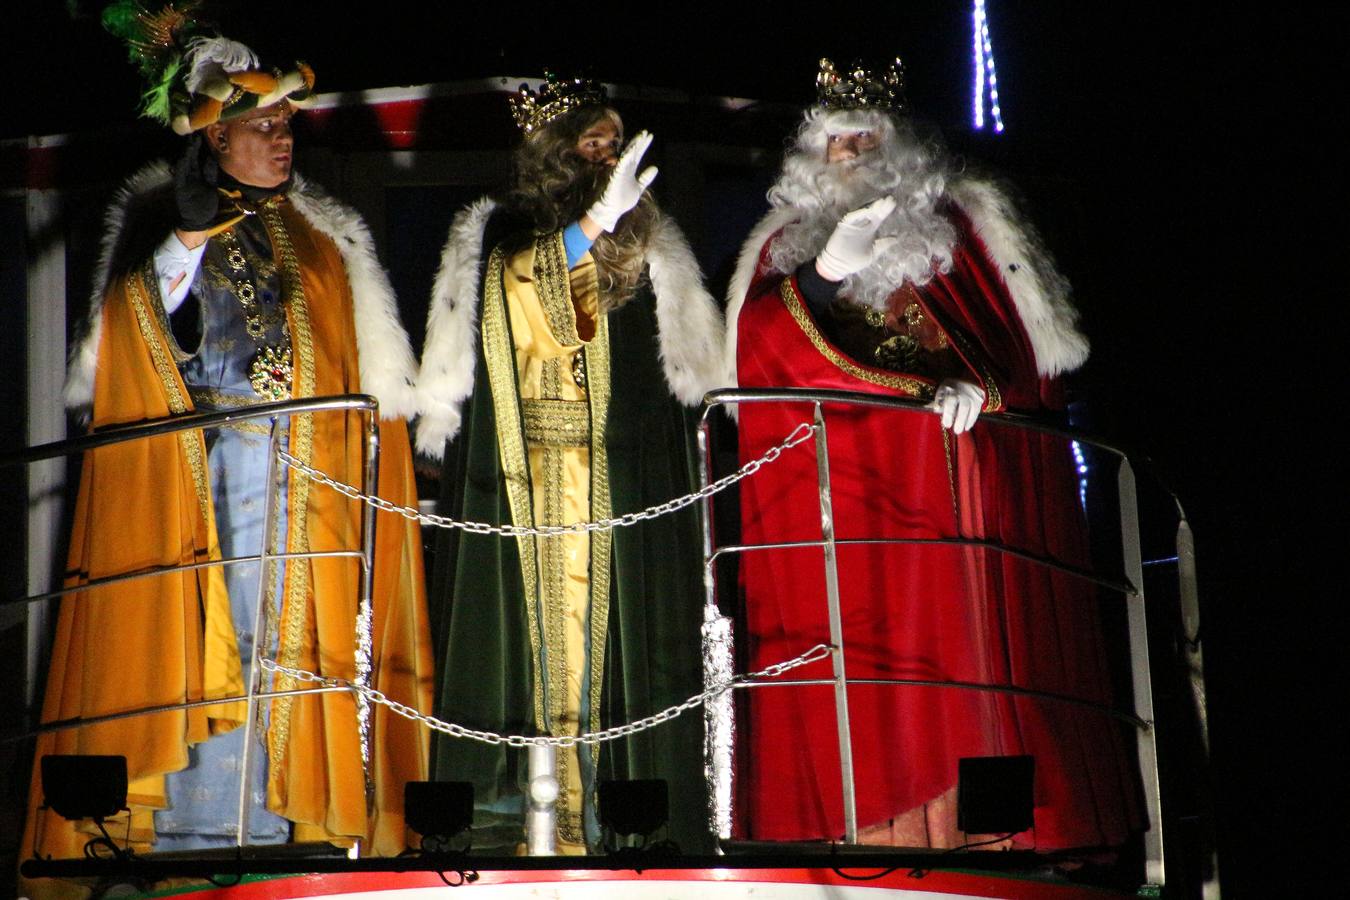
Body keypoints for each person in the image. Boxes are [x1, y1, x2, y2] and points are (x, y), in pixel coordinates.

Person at [22, 14, 432, 872]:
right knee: (218, 641)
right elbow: (134, 331)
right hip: (211, 470)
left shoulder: (321, 234)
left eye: (288, 126)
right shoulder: (162, 218)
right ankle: (199, 833)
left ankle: (293, 826)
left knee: (301, 651)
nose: (283, 140)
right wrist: (186, 241)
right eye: (263, 127)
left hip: (310, 473)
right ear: (217, 140)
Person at [724, 57, 1139, 850]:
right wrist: (823, 276)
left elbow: (1028, 352)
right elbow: (757, 363)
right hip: (844, 509)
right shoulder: (780, 248)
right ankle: (871, 839)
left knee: (971, 668)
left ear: (901, 145)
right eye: (836, 141)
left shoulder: (968, 224)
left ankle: (1001, 840)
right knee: (870, 680)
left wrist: (981, 390)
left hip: (960, 497)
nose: (850, 153)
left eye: (865, 137)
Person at [416, 73, 725, 854]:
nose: (605, 155)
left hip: (623, 488)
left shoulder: (654, 247)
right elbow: (529, 294)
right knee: (527, 660)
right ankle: (522, 829)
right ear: (553, 153)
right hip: (525, 486)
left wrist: (612, 225)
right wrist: (593, 221)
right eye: (590, 142)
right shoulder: (501, 232)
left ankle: (619, 831)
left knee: (621, 662)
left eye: (613, 143)